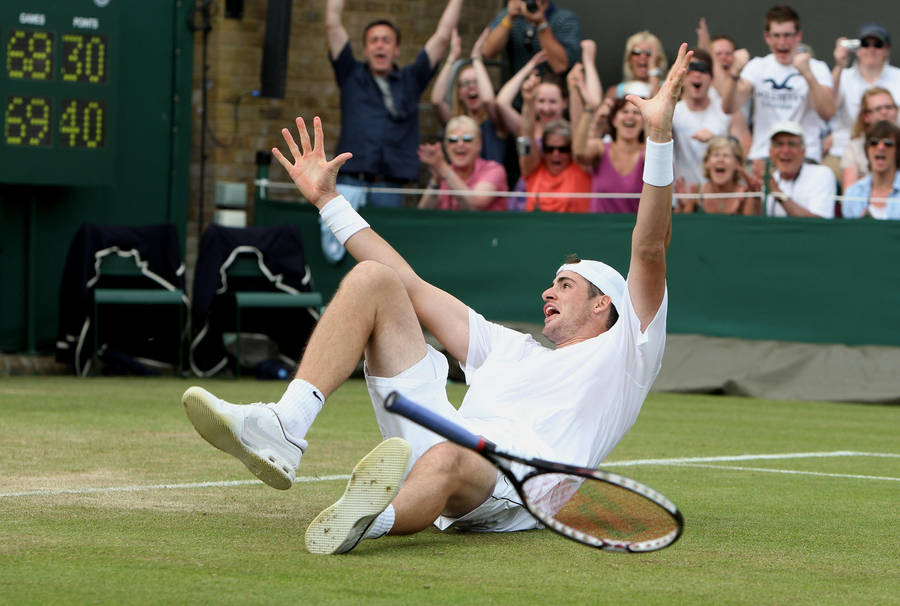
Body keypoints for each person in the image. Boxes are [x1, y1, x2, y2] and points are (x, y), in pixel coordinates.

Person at [180, 42, 694, 557]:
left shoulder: (627, 354)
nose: (548, 290)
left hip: (509, 482)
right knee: (377, 280)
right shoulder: (510, 350)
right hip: (443, 437)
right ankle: (286, 426)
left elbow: (649, 248)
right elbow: (410, 282)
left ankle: (371, 519)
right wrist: (327, 201)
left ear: (604, 304)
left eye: (565, 284)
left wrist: (658, 134)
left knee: (448, 456)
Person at [326, 0, 462, 209]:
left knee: (384, 241)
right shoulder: (350, 75)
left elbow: (442, 37)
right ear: (365, 49)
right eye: (374, 40)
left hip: (390, 186)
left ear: (396, 49)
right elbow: (333, 24)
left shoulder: (411, 80)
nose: (380, 44)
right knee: (340, 240)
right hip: (349, 182)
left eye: (386, 40)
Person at [723, 6, 835, 171]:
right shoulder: (757, 67)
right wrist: (733, 74)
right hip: (763, 157)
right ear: (767, 37)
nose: (782, 42)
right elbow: (729, 107)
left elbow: (827, 112)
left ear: (798, 36)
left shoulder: (817, 68)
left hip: (806, 158)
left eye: (788, 35)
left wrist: (808, 74)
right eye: (776, 35)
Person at [574, 61, 645, 214]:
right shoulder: (600, 148)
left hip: (635, 234)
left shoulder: (648, 154)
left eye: (636, 112)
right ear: (613, 119)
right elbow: (579, 154)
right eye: (624, 111)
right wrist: (589, 109)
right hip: (599, 232)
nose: (630, 116)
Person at [830, 24, 900, 176]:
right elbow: (829, 108)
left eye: (878, 44)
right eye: (865, 44)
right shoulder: (843, 76)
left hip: (891, 152)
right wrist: (839, 66)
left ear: (887, 50)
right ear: (857, 49)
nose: (871, 49)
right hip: (846, 150)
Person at [429, 27, 508, 164]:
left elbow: (489, 100)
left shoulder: (496, 122)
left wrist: (477, 59)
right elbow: (436, 100)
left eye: (476, 82)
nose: (471, 86)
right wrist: (452, 58)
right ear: (459, 93)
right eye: (465, 83)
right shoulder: (456, 122)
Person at [672, 49, 741, 190]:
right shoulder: (673, 113)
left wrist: (715, 141)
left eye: (703, 70)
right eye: (691, 69)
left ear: (712, 78)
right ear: (683, 77)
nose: (697, 74)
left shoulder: (725, 111)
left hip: (718, 196)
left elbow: (740, 150)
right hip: (682, 197)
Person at [417, 115, 508, 211]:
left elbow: (475, 205)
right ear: (446, 147)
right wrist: (435, 180)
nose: (460, 144)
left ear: (479, 144)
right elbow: (422, 214)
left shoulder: (494, 169)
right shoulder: (445, 171)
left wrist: (443, 169)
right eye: (453, 140)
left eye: (467, 139)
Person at [481, 0, 581, 77]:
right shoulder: (510, 15)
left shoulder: (564, 19)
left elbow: (560, 66)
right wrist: (509, 17)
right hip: (516, 98)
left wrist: (541, 23)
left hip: (552, 99)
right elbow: (488, 52)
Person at [764, 121, 836, 217]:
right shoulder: (767, 180)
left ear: (803, 151)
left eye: (792, 144)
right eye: (779, 144)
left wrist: (778, 193)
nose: (785, 150)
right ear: (770, 152)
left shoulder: (821, 174)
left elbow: (819, 224)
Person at [675, 136, 761, 215]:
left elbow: (750, 228)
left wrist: (754, 197)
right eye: (715, 155)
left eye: (726, 156)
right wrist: (682, 206)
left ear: (737, 164)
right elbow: (683, 228)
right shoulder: (696, 192)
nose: (720, 160)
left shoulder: (746, 194)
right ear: (706, 163)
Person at [519, 119, 591, 212]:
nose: (556, 154)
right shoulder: (534, 170)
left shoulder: (581, 169)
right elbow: (526, 134)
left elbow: (578, 123)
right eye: (549, 149)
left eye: (563, 149)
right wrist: (529, 105)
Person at [840, 88, 899, 191]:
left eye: (889, 107)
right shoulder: (854, 148)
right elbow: (850, 195)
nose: (884, 112)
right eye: (878, 109)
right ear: (866, 116)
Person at [842, 120, 900, 219]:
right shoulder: (853, 192)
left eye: (888, 143)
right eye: (874, 142)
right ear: (866, 150)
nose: (880, 147)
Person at [605, 31, 668, 101]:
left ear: (658, 59)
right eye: (637, 52)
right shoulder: (615, 92)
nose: (643, 57)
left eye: (648, 53)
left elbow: (658, 103)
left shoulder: (669, 89)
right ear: (629, 59)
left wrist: (653, 67)